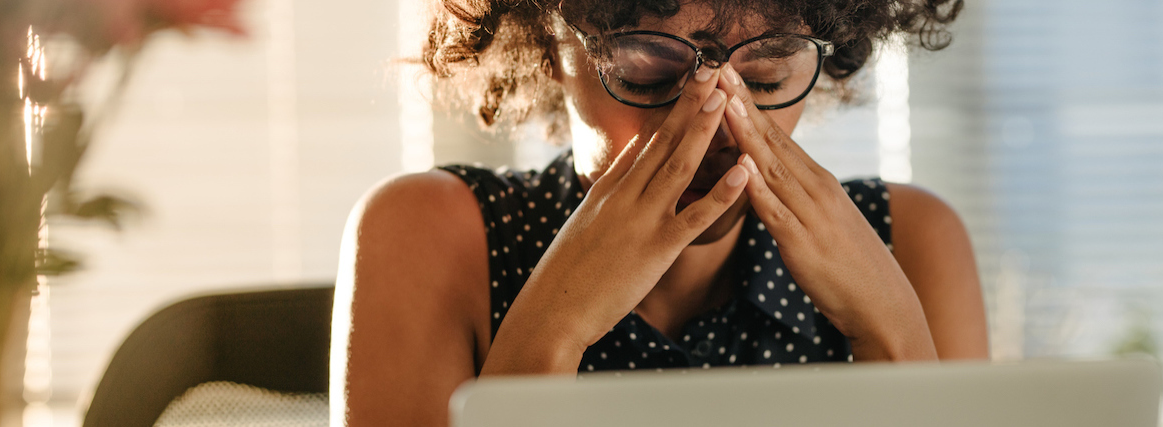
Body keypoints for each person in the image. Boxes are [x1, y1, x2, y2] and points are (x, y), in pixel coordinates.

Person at [332, 0, 986, 424]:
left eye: (766, 79)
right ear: (549, 48)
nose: (718, 120)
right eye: (646, 74)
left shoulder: (912, 237)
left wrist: (892, 330)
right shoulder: (429, 231)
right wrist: (553, 327)